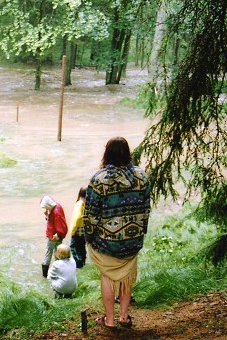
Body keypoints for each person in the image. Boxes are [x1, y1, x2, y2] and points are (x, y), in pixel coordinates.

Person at [84, 137, 151, 329]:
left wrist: (89, 237)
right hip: (132, 240)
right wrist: (140, 233)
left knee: (107, 276)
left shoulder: (99, 179)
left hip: (107, 243)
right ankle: (124, 316)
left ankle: (110, 321)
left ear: (107, 154)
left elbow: (91, 215)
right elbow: (146, 209)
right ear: (128, 153)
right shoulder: (142, 176)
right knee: (127, 276)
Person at [40, 194, 68, 278]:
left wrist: (58, 234)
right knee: (57, 253)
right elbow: (53, 221)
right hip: (54, 235)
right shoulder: (55, 206)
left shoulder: (56, 211)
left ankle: (45, 275)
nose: (46, 209)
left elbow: (60, 224)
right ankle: (59, 274)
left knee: (48, 253)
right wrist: (47, 215)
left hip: (53, 236)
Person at [68, 187, 87, 268]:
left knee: (74, 248)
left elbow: (78, 218)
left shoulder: (79, 204)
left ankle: (79, 266)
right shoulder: (85, 203)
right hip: (83, 232)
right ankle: (83, 264)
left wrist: (73, 230)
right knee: (82, 248)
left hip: (77, 231)